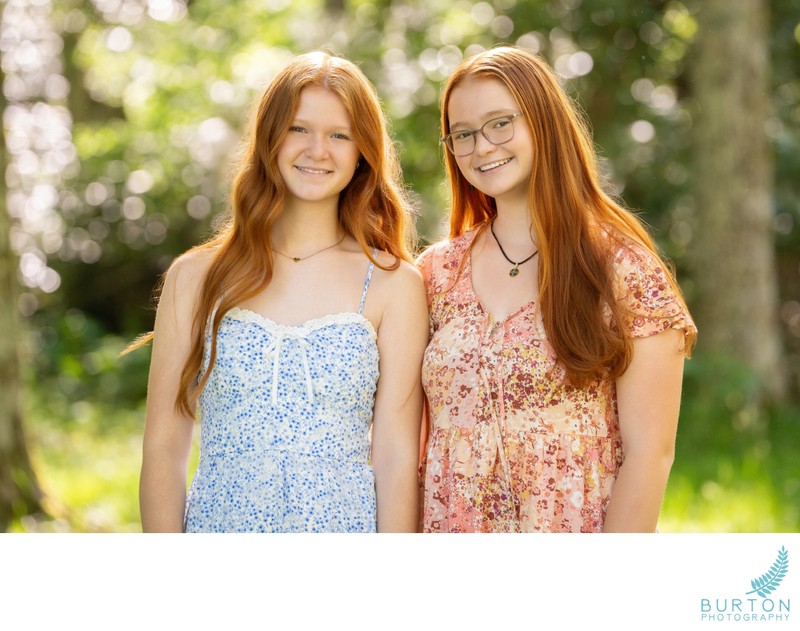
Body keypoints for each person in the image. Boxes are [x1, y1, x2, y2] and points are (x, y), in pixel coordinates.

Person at [130, 51, 428, 533]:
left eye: (340, 135)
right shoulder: (195, 276)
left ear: (362, 152)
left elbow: (396, 456)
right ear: (269, 137)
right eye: (298, 128)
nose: (318, 150)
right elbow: (164, 447)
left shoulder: (394, 283)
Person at [417, 46, 697, 533]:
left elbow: (651, 455)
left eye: (500, 123)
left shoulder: (620, 270)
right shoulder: (434, 273)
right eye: (462, 134)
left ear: (543, 122)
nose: (482, 146)